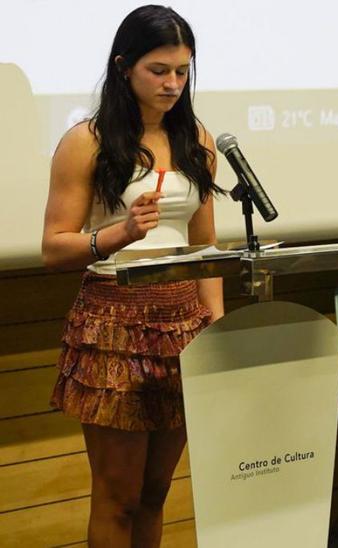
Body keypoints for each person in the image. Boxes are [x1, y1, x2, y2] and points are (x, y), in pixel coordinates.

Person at [42, 6, 223, 547]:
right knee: (117, 497)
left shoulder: (197, 139)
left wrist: (216, 321)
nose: (173, 84)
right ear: (124, 67)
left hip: (183, 325)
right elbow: (54, 247)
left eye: (183, 72)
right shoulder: (87, 141)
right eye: (159, 70)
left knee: (154, 494)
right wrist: (117, 235)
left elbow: (205, 245)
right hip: (113, 325)